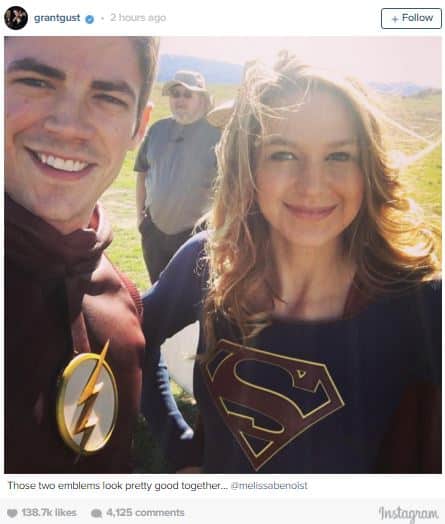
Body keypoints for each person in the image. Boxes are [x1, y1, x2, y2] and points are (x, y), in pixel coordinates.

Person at [141, 52, 441, 473]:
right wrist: (179, 446)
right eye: (283, 154)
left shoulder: (420, 303)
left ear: (368, 168)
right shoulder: (210, 262)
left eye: (339, 156)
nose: (312, 186)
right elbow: (132, 340)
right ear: (248, 165)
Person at [5, 36, 161, 473]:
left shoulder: (123, 298)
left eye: (108, 97)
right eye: (36, 82)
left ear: (138, 127)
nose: (69, 125)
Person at [134, 70, 221, 283]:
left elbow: (230, 187)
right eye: (175, 94)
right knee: (157, 290)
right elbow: (142, 172)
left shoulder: (218, 134)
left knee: (190, 295)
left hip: (195, 237)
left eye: (187, 95)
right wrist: (141, 218)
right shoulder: (157, 130)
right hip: (154, 232)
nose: (180, 100)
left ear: (202, 99)